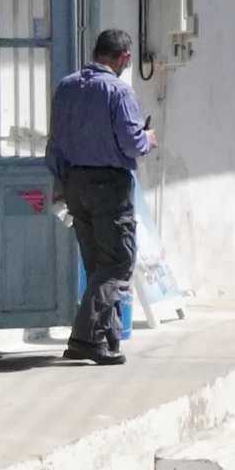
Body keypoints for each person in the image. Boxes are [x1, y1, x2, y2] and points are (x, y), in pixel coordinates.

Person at [46, 28, 156, 365]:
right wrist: (149, 139)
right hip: (109, 185)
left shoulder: (66, 87)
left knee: (97, 265)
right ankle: (85, 338)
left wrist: (59, 182)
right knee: (118, 262)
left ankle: (107, 339)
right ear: (124, 58)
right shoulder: (119, 91)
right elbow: (132, 143)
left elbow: (56, 141)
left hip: (74, 182)